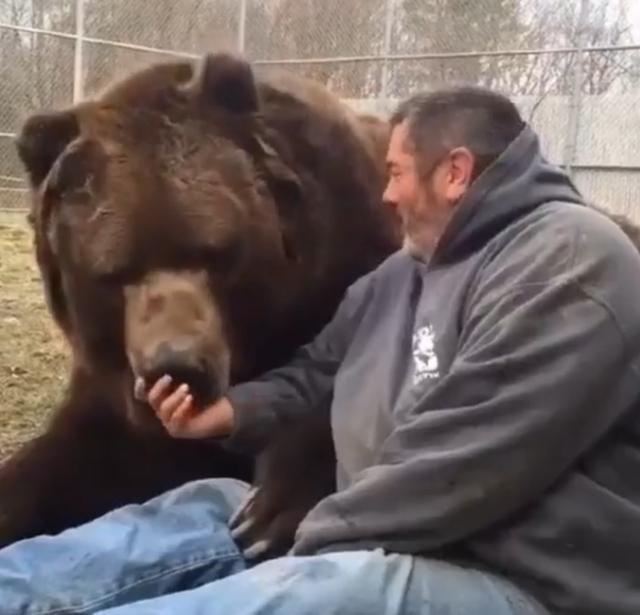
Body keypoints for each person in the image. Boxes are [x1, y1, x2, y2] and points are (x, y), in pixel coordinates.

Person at [2, 86, 640, 615]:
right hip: (383, 530)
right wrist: (232, 414)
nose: (385, 194)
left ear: (455, 172)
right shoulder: (413, 269)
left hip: (515, 579)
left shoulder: (568, 263)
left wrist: (319, 534)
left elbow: (467, 468)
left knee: (302, 591)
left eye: (396, 173)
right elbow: (320, 369)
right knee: (195, 515)